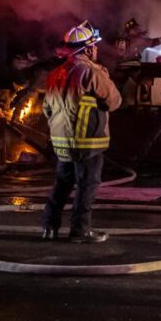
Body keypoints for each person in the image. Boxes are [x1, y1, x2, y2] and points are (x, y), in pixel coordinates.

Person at [41, 20, 123, 243]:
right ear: (87, 48)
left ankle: (49, 227)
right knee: (87, 186)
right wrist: (102, 73)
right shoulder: (90, 73)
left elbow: (47, 109)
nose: (96, 49)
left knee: (62, 185)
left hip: (61, 142)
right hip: (87, 142)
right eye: (93, 46)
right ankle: (80, 231)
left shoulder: (54, 75)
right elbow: (114, 101)